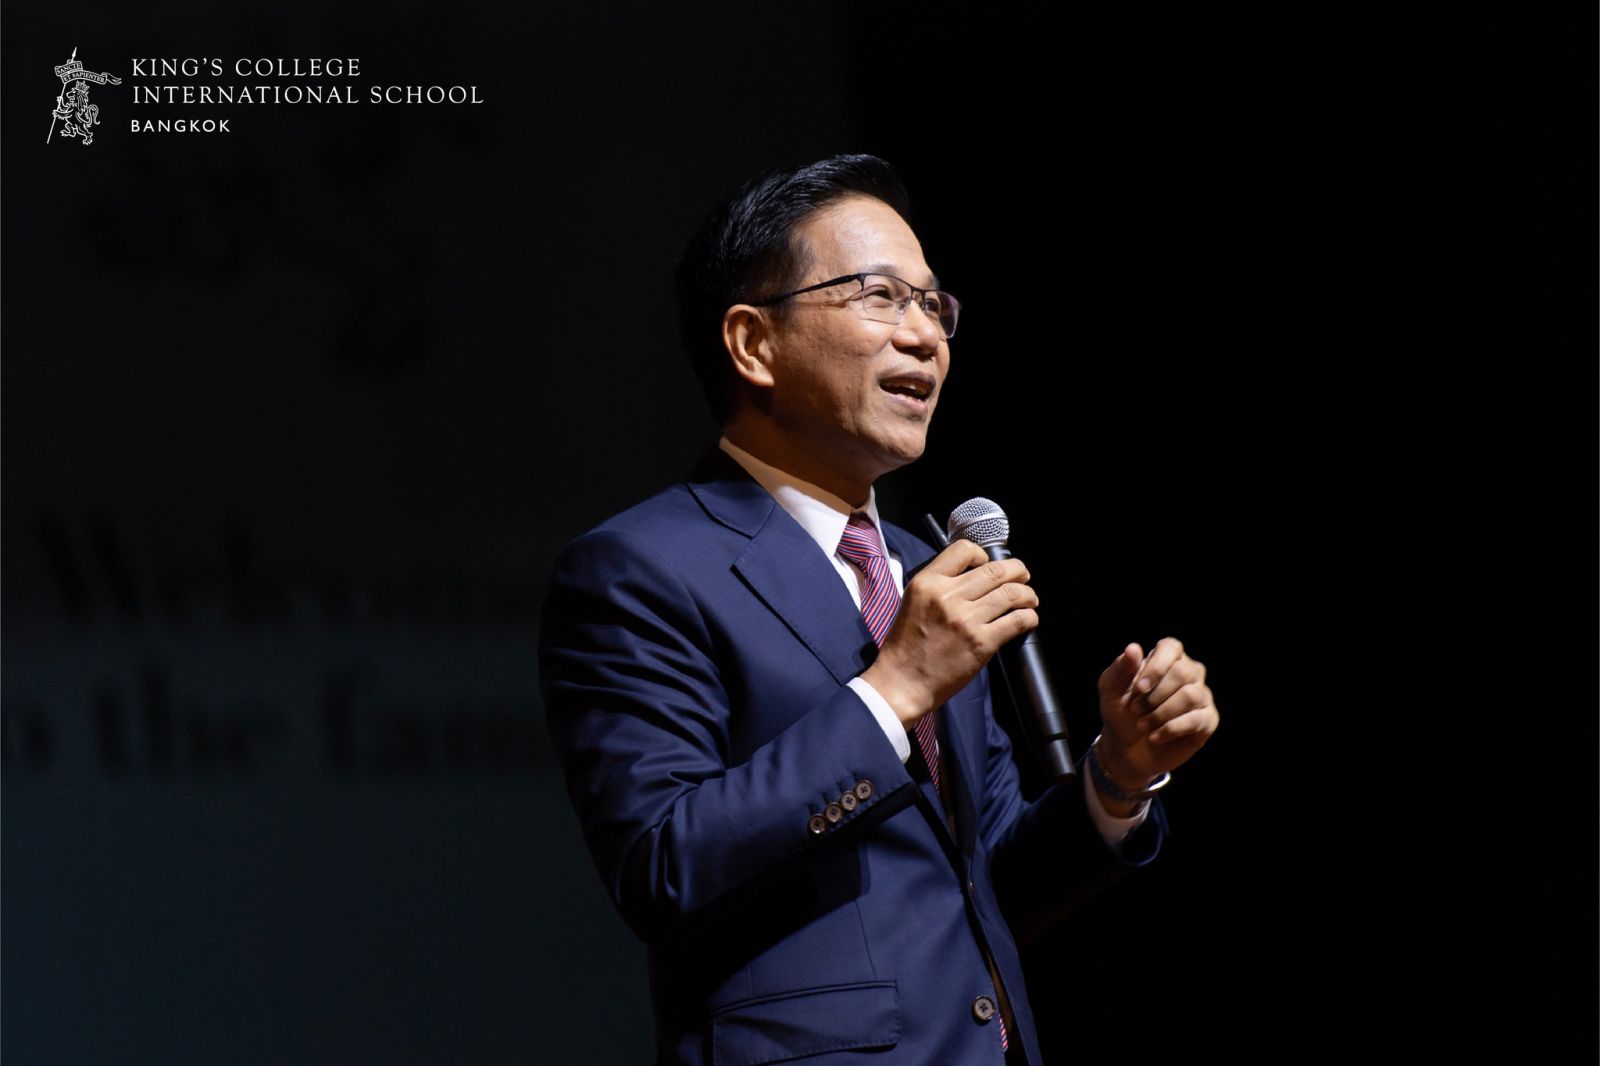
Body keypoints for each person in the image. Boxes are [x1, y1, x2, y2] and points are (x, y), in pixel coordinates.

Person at [538, 153, 1220, 1065]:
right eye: (881, 297)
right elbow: (659, 864)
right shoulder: (639, 569)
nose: (926, 335)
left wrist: (1117, 780)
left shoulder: (920, 569)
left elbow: (982, 881)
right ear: (752, 343)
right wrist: (891, 691)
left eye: (934, 305)